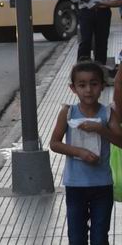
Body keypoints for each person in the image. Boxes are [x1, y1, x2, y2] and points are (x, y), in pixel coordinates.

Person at [50, 61, 122, 245]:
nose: (88, 90)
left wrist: (101, 129)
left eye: (94, 84)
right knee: (76, 237)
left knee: (99, 237)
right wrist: (79, 152)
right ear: (73, 88)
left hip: (102, 186)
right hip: (75, 186)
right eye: (82, 85)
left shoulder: (108, 114)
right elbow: (54, 143)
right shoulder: (67, 112)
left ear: (103, 86)